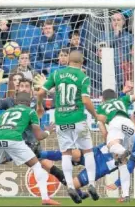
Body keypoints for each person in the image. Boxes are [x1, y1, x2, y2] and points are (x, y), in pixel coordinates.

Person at [0, 74, 67, 195]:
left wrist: (48, 89)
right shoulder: (10, 101)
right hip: (13, 143)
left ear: (31, 89)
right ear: (17, 89)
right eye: (21, 86)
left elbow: (58, 103)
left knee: (46, 164)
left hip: (31, 144)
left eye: (27, 86)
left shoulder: (38, 101)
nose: (24, 88)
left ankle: (73, 188)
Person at [36, 50, 106, 203]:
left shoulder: (56, 74)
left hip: (61, 121)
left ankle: (70, 186)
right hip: (78, 120)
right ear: (81, 64)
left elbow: (40, 92)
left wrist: (40, 106)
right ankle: (92, 184)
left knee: (66, 154)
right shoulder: (83, 77)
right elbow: (86, 102)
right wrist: (96, 116)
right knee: (88, 152)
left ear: (68, 61)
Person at [0, 92, 60, 206]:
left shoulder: (6, 112)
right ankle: (45, 198)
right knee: (36, 165)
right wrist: (49, 130)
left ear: (16, 102)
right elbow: (39, 136)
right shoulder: (30, 111)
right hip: (14, 138)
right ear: (29, 103)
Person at [72, 111, 135, 203]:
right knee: (68, 155)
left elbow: (130, 165)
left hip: (104, 164)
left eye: (132, 117)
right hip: (98, 151)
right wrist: (100, 121)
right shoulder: (123, 125)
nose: (129, 118)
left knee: (72, 184)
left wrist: (117, 183)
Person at [96, 80, 135, 201]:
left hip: (115, 123)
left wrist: (109, 143)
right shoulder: (122, 100)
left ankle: (122, 151)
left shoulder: (101, 107)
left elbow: (103, 130)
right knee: (122, 162)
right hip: (129, 125)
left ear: (103, 99)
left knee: (114, 148)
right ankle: (125, 194)